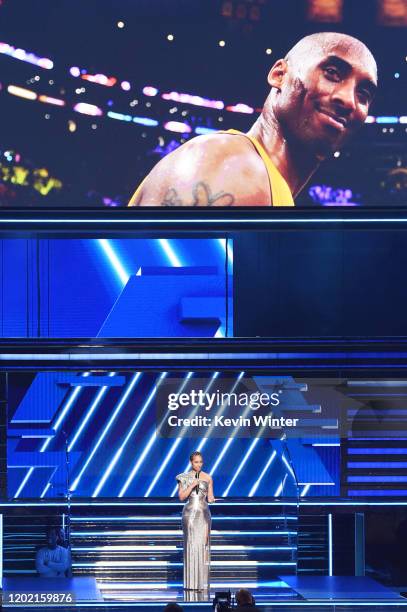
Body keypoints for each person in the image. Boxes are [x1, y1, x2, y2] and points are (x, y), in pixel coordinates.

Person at [128, 32, 377, 208]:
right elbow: (163, 282)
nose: (348, 100)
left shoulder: (266, 182)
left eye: (362, 94)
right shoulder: (234, 166)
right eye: (332, 73)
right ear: (279, 74)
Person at [176, 451, 216, 594]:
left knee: (202, 546)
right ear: (191, 463)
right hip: (190, 513)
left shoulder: (208, 477)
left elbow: (210, 497)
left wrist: (212, 499)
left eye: (200, 462)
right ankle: (190, 583)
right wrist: (192, 485)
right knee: (191, 545)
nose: (198, 464)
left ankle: (200, 583)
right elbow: (181, 497)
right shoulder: (183, 477)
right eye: (195, 462)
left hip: (204, 513)